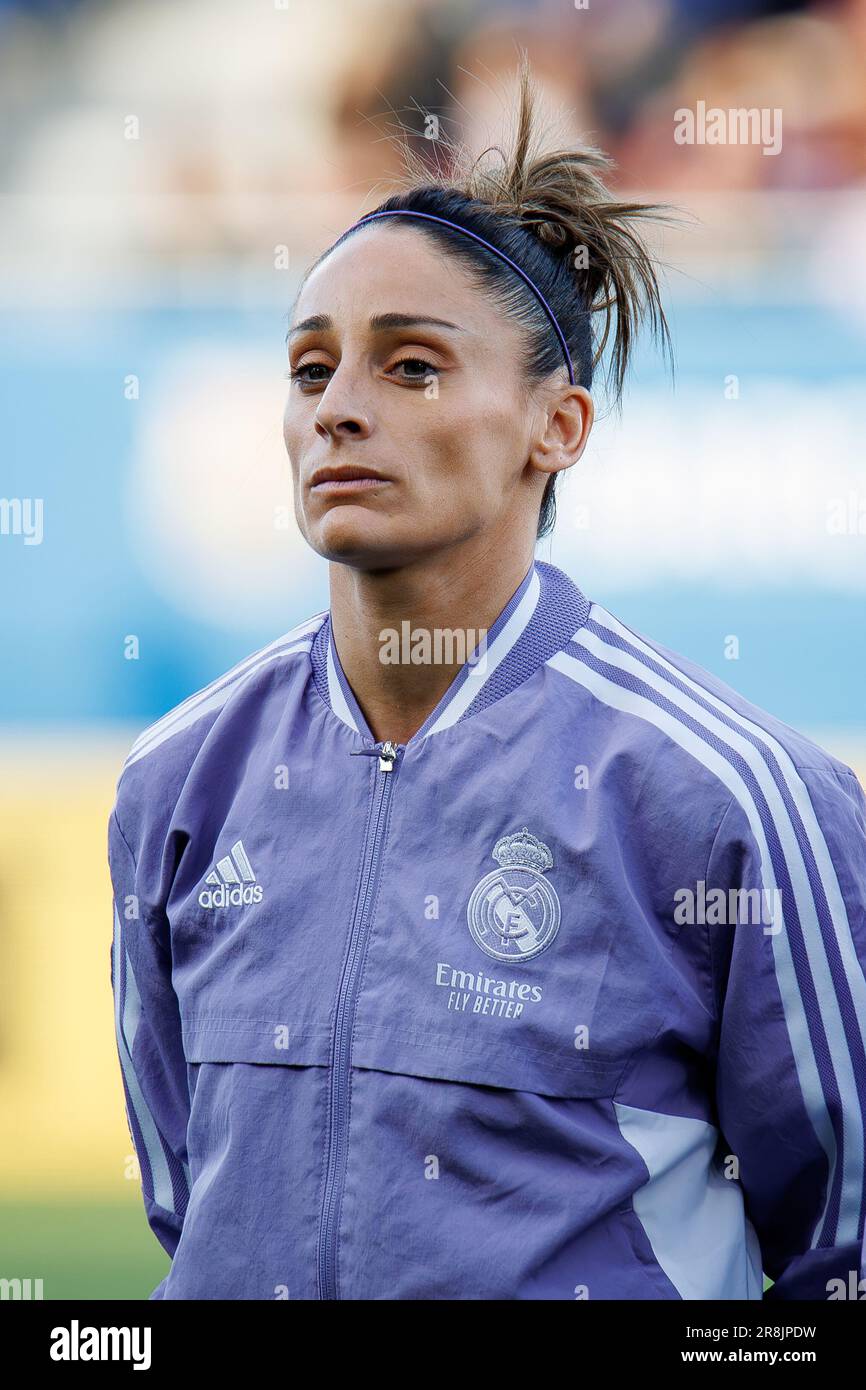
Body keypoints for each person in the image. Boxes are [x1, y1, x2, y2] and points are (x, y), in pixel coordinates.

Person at [109, 56, 866, 1301]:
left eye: (410, 366)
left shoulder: (731, 798)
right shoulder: (178, 779)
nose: (340, 408)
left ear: (555, 427)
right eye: (311, 369)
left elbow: (837, 1250)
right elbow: (188, 1201)